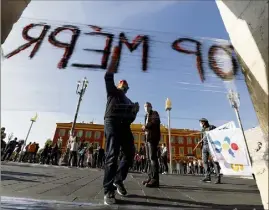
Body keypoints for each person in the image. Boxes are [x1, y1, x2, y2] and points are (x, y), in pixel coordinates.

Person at [103, 46, 139, 205]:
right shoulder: (112, 92)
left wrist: (135, 112)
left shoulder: (128, 100)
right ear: (118, 85)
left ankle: (119, 179)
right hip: (111, 121)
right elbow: (107, 77)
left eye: (125, 86)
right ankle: (108, 190)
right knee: (112, 154)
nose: (123, 86)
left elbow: (130, 119)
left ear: (127, 89)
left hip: (124, 126)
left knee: (130, 152)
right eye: (121, 85)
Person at [142, 102, 161, 188]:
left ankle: (155, 179)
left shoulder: (154, 113)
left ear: (150, 106)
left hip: (153, 138)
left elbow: (154, 122)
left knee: (153, 158)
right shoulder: (146, 116)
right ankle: (150, 177)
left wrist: (145, 126)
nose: (146, 107)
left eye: (147, 106)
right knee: (149, 159)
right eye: (145, 106)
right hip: (147, 139)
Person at [198, 118, 221, 184]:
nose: (200, 124)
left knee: (214, 161)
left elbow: (217, 133)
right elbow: (202, 137)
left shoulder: (212, 127)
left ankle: (218, 177)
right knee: (204, 161)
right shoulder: (202, 130)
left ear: (204, 122)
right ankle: (207, 177)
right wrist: (201, 142)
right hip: (204, 146)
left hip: (211, 145)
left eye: (201, 122)